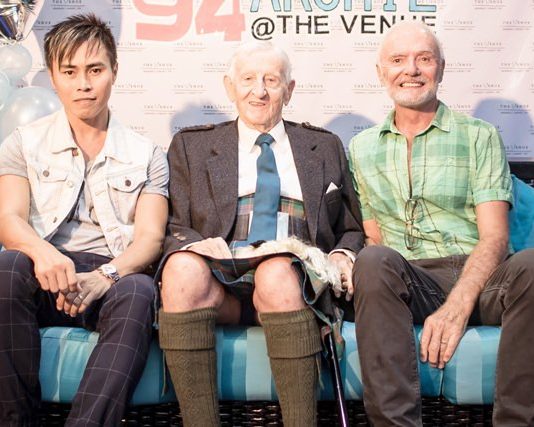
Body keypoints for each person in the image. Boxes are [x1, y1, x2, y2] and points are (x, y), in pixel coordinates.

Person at [158, 41, 364, 427]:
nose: (260, 91)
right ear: (229, 87)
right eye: (248, 79)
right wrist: (199, 246)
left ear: (290, 89)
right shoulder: (192, 146)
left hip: (294, 278)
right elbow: (174, 227)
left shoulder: (324, 146)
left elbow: (351, 228)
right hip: (220, 274)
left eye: (271, 80)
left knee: (276, 273)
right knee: (181, 270)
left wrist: (342, 254)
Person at [348, 21, 534, 426]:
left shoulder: (479, 135)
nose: (411, 70)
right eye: (398, 60)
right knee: (373, 260)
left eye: (424, 59)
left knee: (532, 264)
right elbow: (374, 237)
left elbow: (495, 236)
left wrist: (458, 305)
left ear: (442, 68)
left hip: (482, 276)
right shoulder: (361, 148)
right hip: (412, 280)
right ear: (380, 72)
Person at [0, 14, 169, 426]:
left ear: (114, 71)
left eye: (95, 70)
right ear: (53, 77)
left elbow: (150, 238)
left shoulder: (147, 153)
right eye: (70, 71)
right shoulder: (24, 142)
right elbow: (9, 218)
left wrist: (106, 276)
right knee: (7, 266)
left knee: (140, 289)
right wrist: (43, 254)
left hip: (110, 272)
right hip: (43, 269)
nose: (84, 84)